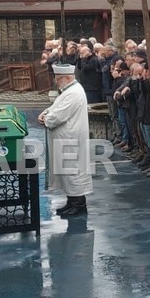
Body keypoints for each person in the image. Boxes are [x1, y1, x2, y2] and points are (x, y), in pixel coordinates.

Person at [40, 63, 92, 218]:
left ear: (66, 78)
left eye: (57, 78)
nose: (56, 81)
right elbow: (56, 108)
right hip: (66, 138)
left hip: (70, 139)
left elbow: (59, 115)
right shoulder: (69, 91)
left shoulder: (73, 93)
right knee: (67, 172)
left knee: (73, 172)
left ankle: (78, 205)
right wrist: (45, 113)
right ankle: (71, 201)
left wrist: (46, 118)